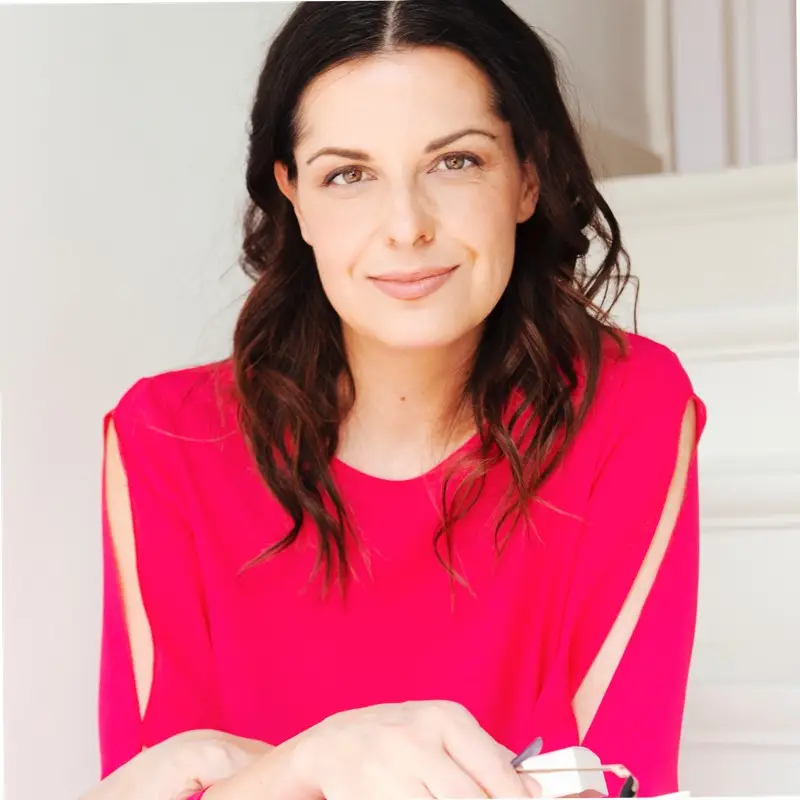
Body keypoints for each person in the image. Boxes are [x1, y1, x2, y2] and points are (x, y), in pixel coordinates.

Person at [91, 1, 707, 798]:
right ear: (294, 197)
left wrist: (251, 774)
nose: (407, 226)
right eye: (348, 175)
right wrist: (320, 758)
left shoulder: (629, 408)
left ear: (527, 176)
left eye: (456, 161)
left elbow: (617, 782)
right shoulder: (167, 441)